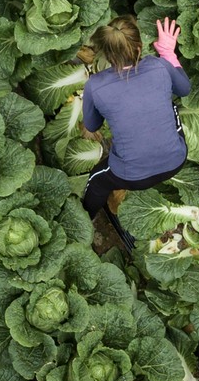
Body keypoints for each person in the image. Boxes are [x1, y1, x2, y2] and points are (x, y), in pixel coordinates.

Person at [81, 15, 189, 227]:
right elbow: (184, 89)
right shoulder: (160, 65)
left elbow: (92, 126)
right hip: (176, 161)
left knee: (97, 180)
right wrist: (168, 53)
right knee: (172, 107)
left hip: (130, 177)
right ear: (139, 47)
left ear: (106, 54)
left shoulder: (94, 84)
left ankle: (86, 218)